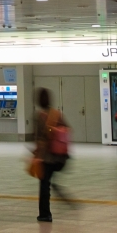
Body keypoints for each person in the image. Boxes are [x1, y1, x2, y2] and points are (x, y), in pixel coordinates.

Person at [31, 88, 73, 221]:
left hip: (45, 156)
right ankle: (55, 186)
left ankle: (45, 214)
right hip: (58, 155)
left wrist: (37, 155)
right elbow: (67, 130)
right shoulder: (57, 114)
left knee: (44, 185)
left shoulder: (39, 116)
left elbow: (38, 137)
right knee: (48, 181)